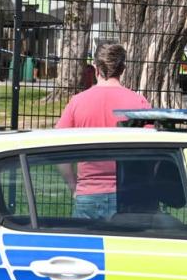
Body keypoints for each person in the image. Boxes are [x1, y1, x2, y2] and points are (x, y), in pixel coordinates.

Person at [56, 43, 151, 218]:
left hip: (87, 193)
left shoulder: (77, 102)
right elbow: (152, 153)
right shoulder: (139, 103)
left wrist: (73, 187)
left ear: (96, 69)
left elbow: (59, 153)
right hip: (128, 195)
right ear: (122, 69)